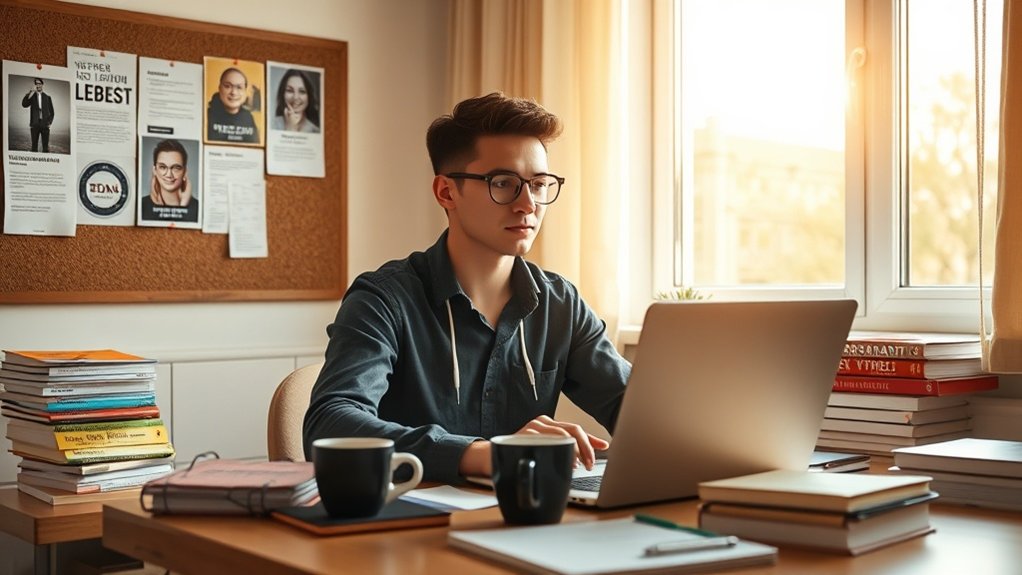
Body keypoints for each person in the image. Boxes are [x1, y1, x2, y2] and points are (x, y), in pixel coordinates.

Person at [303, 93, 631, 485]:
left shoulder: (560, 304)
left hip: (526, 519)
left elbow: (636, 411)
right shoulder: (384, 300)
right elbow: (330, 423)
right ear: (446, 192)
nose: (528, 204)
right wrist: (485, 455)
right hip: (407, 528)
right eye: (504, 183)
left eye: (540, 184)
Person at [140, 139, 198, 223]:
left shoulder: (198, 208)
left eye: (176, 168)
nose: (169, 175)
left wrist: (182, 208)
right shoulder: (142, 205)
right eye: (163, 167)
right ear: (154, 170)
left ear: (185, 172)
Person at [207, 67, 259, 144]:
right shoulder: (207, 116)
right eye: (227, 86)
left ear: (245, 91)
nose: (233, 92)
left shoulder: (248, 117)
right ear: (220, 88)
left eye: (239, 87)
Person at [271, 69, 320, 133]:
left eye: (302, 91)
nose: (295, 97)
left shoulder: (316, 131)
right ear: (282, 94)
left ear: (309, 96)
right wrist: (290, 128)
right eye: (290, 90)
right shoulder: (272, 125)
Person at [21, 77, 54, 153]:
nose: (38, 85)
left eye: (39, 84)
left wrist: (49, 122)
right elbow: (24, 104)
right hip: (35, 125)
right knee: (34, 148)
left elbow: (52, 112)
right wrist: (29, 92)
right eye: (36, 84)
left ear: (42, 84)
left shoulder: (48, 97)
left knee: (45, 148)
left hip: (45, 125)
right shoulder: (32, 97)